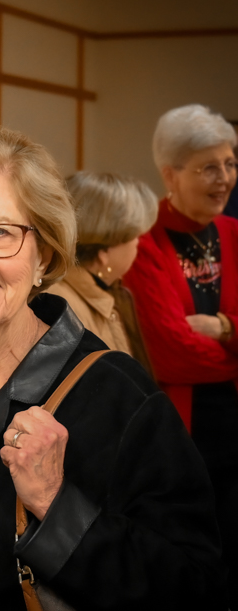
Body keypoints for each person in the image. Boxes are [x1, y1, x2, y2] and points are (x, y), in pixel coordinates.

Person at [0, 126, 225, 611]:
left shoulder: (118, 397)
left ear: (45, 256)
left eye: (0, 232)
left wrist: (56, 505)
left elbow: (195, 588)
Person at [124, 103, 238, 610]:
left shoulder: (234, 233)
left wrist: (224, 327)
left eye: (230, 163)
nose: (225, 178)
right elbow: (170, 352)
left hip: (233, 419)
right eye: (208, 167)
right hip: (184, 426)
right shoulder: (145, 240)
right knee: (197, 554)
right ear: (170, 174)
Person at [48, 171, 156, 376]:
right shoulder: (61, 305)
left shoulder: (102, 291)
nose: (138, 244)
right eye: (135, 236)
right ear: (105, 251)